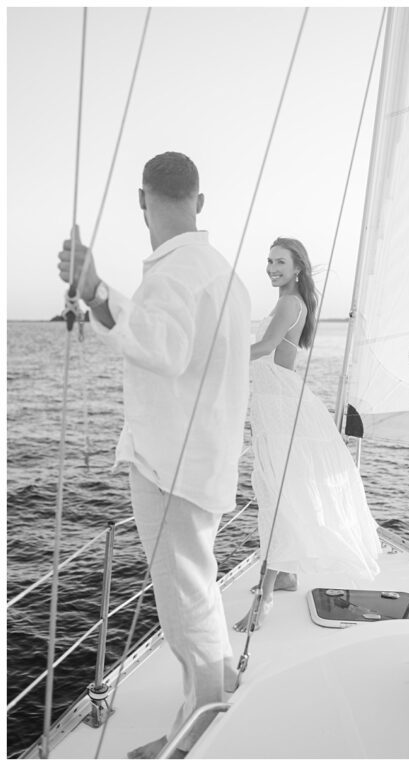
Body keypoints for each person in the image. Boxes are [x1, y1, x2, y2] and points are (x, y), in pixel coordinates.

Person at [57, 151, 250, 758]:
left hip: (171, 467)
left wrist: (95, 291)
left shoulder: (173, 274)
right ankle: (221, 692)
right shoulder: (225, 274)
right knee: (199, 588)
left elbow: (162, 346)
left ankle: (195, 734)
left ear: (143, 201)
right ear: (200, 201)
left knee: (183, 600)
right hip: (207, 461)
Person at [234, 237, 380, 632]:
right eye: (268, 261)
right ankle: (284, 575)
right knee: (277, 490)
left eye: (279, 261)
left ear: (298, 267)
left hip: (280, 406)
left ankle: (264, 599)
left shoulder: (287, 302)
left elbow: (265, 347)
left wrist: (219, 355)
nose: (271, 267)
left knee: (278, 494)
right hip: (276, 402)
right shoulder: (293, 301)